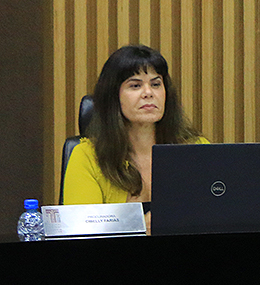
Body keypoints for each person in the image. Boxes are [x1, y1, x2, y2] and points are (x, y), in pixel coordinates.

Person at [62, 44, 206, 213]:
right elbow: (82, 232)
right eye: (135, 86)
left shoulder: (197, 149)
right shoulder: (88, 158)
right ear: (114, 96)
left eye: (156, 84)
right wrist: (140, 228)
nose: (148, 93)